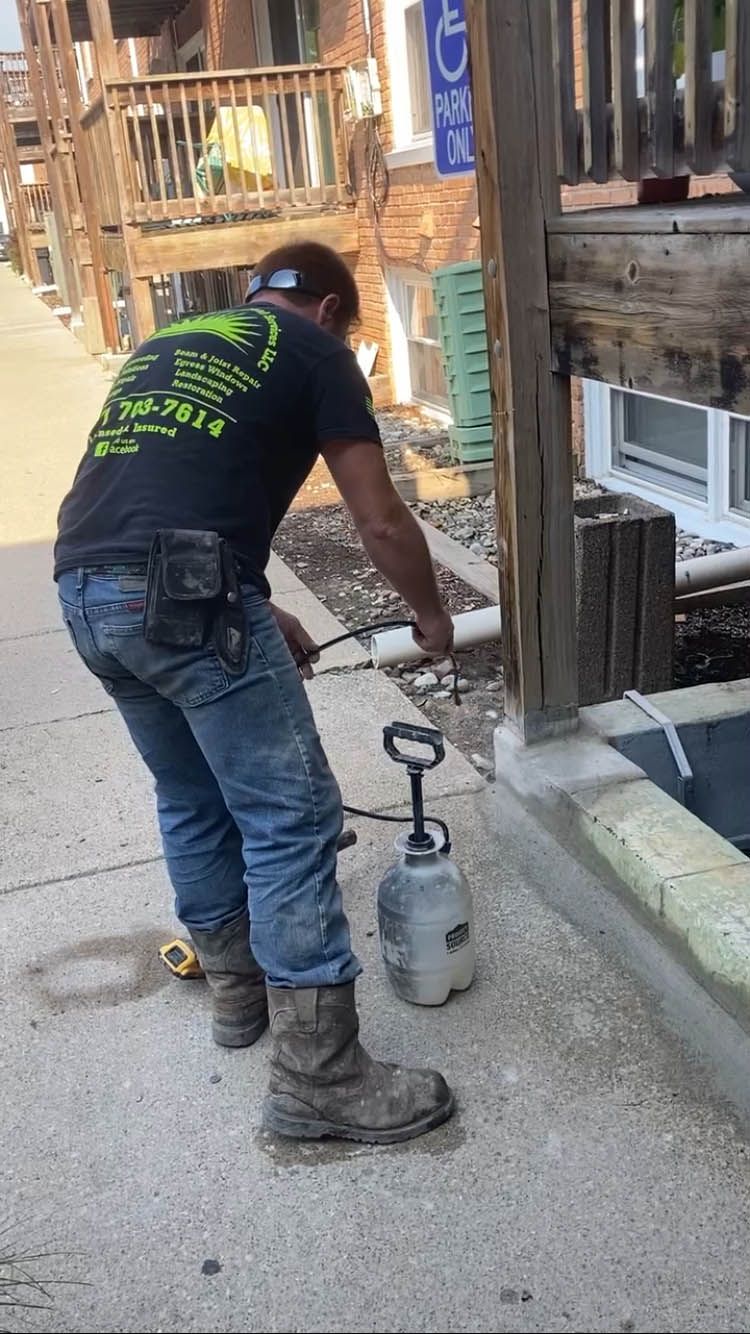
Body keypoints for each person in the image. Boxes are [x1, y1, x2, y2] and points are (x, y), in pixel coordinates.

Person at [54, 241, 455, 1145]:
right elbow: (379, 518)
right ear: (327, 311)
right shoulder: (314, 349)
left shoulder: (177, 338)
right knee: (293, 815)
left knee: (193, 796)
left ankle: (239, 998)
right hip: (179, 591)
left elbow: (165, 485)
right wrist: (431, 614)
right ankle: (320, 1078)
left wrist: (252, 597)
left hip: (84, 592)